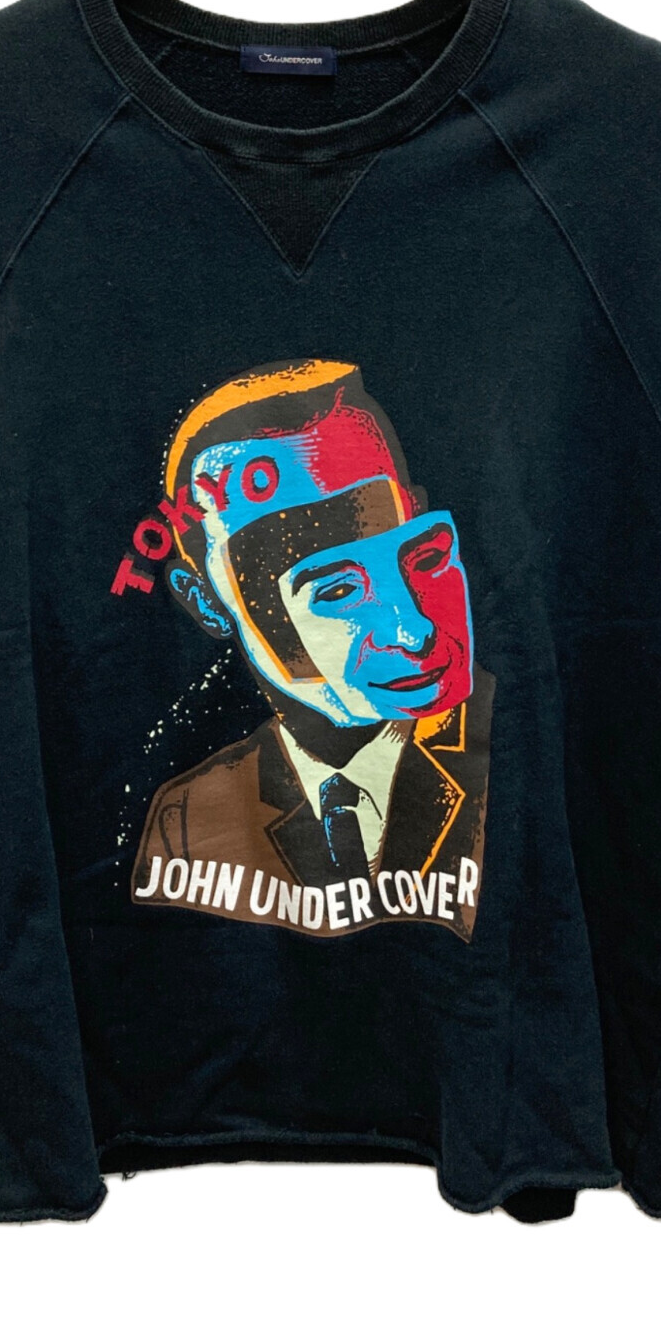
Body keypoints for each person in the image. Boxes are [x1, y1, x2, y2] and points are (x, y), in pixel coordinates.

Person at [129, 359, 492, 941]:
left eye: (421, 556)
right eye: (338, 591)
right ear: (207, 603)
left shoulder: (505, 741)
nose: (412, 631)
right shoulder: (189, 815)